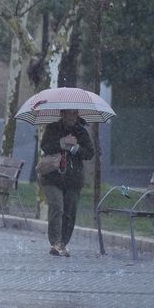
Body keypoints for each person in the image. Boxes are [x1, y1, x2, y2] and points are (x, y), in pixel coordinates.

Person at [39, 109, 94, 257]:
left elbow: (90, 153)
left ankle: (62, 243)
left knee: (69, 213)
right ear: (62, 114)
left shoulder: (81, 132)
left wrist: (75, 148)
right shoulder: (52, 128)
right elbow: (45, 147)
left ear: (77, 114)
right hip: (52, 177)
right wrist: (63, 142)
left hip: (73, 179)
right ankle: (55, 242)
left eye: (74, 113)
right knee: (57, 207)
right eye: (68, 113)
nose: (71, 116)